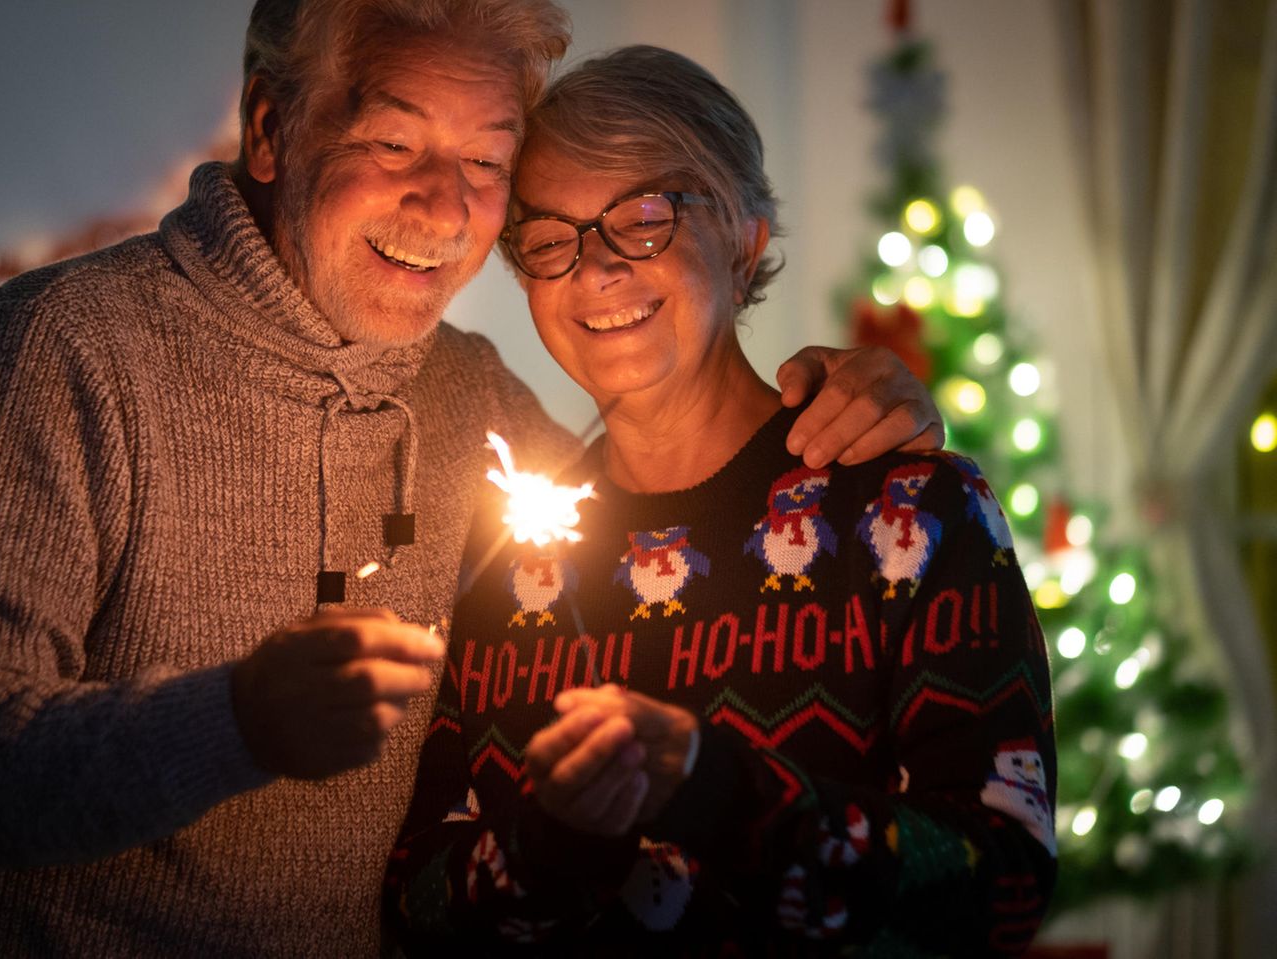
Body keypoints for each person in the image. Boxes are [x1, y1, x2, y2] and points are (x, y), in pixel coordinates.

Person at [0, 3, 942, 957]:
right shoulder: (63, 348)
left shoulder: (472, 398)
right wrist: (236, 721)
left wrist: (859, 398)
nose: (444, 206)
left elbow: (657, 500)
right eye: (393, 141)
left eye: (486, 162)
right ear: (272, 128)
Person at [385, 44, 1057, 955]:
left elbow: (1003, 883)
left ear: (744, 240)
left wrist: (714, 788)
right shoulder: (503, 560)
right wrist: (556, 840)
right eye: (549, 240)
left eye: (645, 219)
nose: (597, 269)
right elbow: (417, 904)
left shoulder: (911, 511)